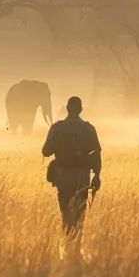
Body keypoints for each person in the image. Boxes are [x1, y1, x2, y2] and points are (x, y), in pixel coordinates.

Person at [41, 96, 102, 257]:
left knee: (65, 213)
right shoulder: (88, 129)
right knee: (80, 215)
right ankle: (76, 250)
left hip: (62, 177)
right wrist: (97, 176)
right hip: (82, 178)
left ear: (67, 109)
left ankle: (68, 248)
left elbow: (46, 151)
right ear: (80, 109)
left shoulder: (57, 128)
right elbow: (97, 154)